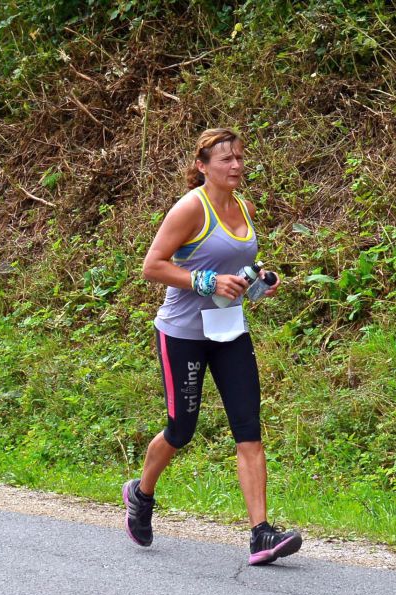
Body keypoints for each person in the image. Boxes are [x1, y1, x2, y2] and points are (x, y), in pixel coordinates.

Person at [122, 128, 302, 566]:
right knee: (181, 429)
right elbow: (153, 266)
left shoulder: (245, 206)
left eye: (240, 157)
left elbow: (235, 268)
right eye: (226, 159)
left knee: (249, 428)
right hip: (182, 333)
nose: (236, 165)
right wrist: (205, 281)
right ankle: (140, 493)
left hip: (228, 331)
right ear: (203, 165)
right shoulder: (190, 208)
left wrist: (259, 281)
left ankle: (261, 534)